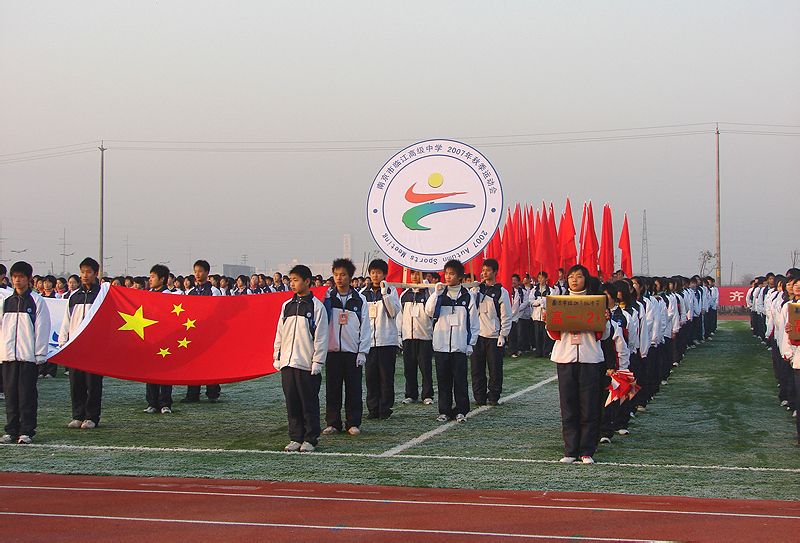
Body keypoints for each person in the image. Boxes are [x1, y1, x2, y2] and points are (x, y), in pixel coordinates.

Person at [548, 264, 612, 464]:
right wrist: (548, 320)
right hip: (565, 358)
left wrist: (605, 320)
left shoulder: (596, 302)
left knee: (589, 406)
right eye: (571, 277)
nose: (574, 280)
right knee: (568, 406)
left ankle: (586, 450)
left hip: (589, 358)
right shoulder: (559, 301)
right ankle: (570, 450)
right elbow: (554, 335)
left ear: (586, 279)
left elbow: (604, 335)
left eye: (579, 276)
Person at [273, 264, 328, 452]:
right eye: (291, 280)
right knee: (292, 401)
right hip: (288, 363)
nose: (292, 284)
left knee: (308, 402)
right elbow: (280, 333)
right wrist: (277, 356)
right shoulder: (286, 306)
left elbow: (321, 337)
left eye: (296, 280)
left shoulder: (317, 307)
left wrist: (317, 361)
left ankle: (310, 438)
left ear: (307, 281)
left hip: (306, 364)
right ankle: (295, 437)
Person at [0, 261, 51, 444]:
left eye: (21, 277)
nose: (17, 280)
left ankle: (26, 431)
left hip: (28, 357)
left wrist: (39, 354)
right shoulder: (6, 301)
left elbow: (42, 328)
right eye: (14, 277)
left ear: (29, 279)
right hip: (8, 356)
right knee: (10, 395)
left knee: (26, 395)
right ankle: (11, 430)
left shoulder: (37, 301)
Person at [425, 260, 479, 423]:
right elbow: (429, 312)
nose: (448, 277)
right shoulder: (440, 294)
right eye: (446, 273)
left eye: (452, 274)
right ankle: (444, 411)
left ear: (460, 276)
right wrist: (436, 294)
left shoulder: (467, 296)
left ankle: (461, 410)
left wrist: (470, 343)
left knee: (460, 380)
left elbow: (473, 322)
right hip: (441, 346)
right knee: (443, 380)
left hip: (459, 346)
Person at [322, 258, 370, 436]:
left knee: (354, 389)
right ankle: (333, 422)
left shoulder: (360, 300)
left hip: (352, 352)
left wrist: (362, 351)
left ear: (350, 277)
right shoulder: (327, 298)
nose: (339, 278)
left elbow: (365, 327)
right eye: (336, 275)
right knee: (332, 389)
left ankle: (353, 422)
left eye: (343, 275)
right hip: (332, 352)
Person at [60, 257, 104, 429]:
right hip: (75, 347)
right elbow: (67, 320)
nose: (85, 275)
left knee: (93, 384)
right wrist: (64, 341)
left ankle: (92, 417)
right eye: (82, 272)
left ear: (95, 273)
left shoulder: (102, 295)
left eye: (88, 272)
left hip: (94, 348)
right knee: (76, 383)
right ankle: (78, 415)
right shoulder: (74, 296)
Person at [361, 259, 402, 420]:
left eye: (378, 273)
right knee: (371, 378)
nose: (375, 276)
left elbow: (393, 312)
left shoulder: (391, 291)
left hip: (387, 341)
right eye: (373, 273)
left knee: (386, 377)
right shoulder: (363, 293)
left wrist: (384, 294)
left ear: (384, 274)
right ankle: (373, 409)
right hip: (369, 343)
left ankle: (385, 409)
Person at [470, 259, 511, 406]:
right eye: (483, 270)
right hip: (477, 336)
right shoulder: (477, 290)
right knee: (477, 368)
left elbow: (506, 315)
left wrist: (503, 334)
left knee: (495, 369)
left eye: (488, 270)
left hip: (494, 336)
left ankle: (493, 396)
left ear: (495, 272)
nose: (484, 273)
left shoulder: (501, 292)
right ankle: (479, 397)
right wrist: (474, 293)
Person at [181, 260, 222, 403]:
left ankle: (212, 392)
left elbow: (217, 313)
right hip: (193, 332)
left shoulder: (214, 291)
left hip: (209, 333)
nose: (197, 274)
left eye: (200, 271)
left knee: (210, 363)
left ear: (207, 273)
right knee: (193, 363)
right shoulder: (191, 292)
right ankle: (192, 393)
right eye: (195, 272)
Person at [143, 264, 179, 415]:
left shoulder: (169, 295)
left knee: (165, 372)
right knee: (150, 371)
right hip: (151, 339)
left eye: (153, 277)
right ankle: (152, 403)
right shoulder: (148, 295)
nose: (150, 279)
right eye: (150, 276)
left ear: (162, 279)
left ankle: (165, 403)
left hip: (165, 339)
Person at [399, 269, 434, 405]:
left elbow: (432, 311)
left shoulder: (428, 292)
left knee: (425, 368)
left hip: (424, 336)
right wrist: (400, 334)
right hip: (408, 337)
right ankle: (411, 394)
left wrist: (426, 286)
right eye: (412, 273)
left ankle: (427, 395)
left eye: (418, 273)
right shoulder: (405, 294)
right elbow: (400, 316)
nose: (414, 276)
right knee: (409, 368)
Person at [530, 272, 552, 357]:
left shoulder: (550, 290)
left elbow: (552, 301)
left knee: (545, 335)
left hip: (546, 315)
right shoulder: (534, 290)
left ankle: (546, 351)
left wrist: (544, 302)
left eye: (542, 278)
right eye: (539, 278)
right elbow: (531, 301)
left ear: (546, 279)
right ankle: (538, 352)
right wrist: (539, 301)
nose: (540, 280)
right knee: (537, 334)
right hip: (536, 315)